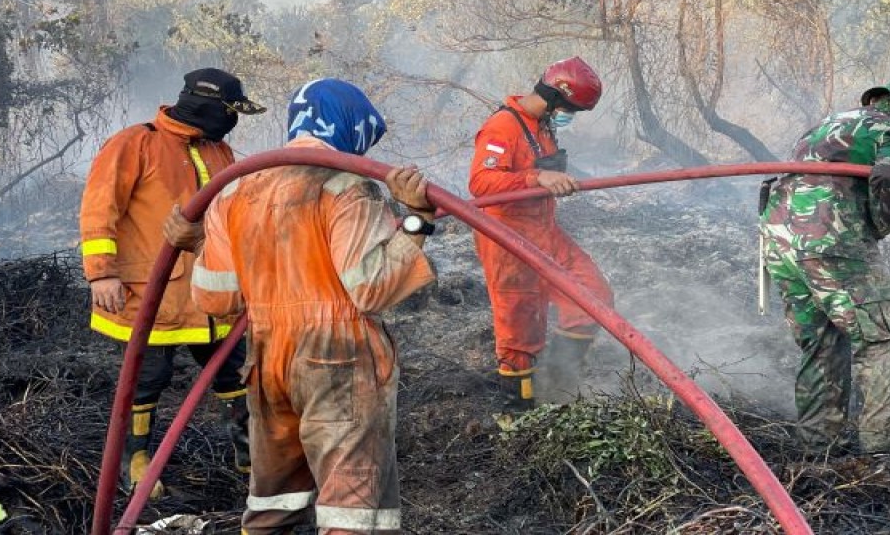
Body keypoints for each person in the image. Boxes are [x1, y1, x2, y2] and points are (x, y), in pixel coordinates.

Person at [191, 78, 436, 535]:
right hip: (338, 359)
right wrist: (417, 221)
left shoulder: (234, 191)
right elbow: (373, 288)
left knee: (273, 506)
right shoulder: (346, 187)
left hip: (267, 360)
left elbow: (215, 298)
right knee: (353, 512)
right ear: (351, 128)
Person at [79, 68, 265, 498]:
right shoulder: (134, 143)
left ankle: (251, 453)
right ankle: (136, 460)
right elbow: (98, 209)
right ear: (207, 104)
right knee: (147, 377)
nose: (232, 120)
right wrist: (101, 273)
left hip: (210, 293)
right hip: (152, 293)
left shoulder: (220, 151)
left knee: (235, 369)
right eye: (230, 111)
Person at [759, 74, 890, 455]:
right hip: (831, 238)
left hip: (779, 241)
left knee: (822, 342)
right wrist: (879, 225)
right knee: (886, 338)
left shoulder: (828, 124)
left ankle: (819, 446)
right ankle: (886, 446)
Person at [468, 56, 615, 410]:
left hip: (544, 231)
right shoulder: (502, 127)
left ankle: (558, 384)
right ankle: (517, 415)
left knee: (593, 296)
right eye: (570, 109)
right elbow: (480, 183)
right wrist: (537, 178)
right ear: (554, 97)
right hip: (506, 238)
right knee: (520, 328)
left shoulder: (544, 126)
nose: (571, 116)